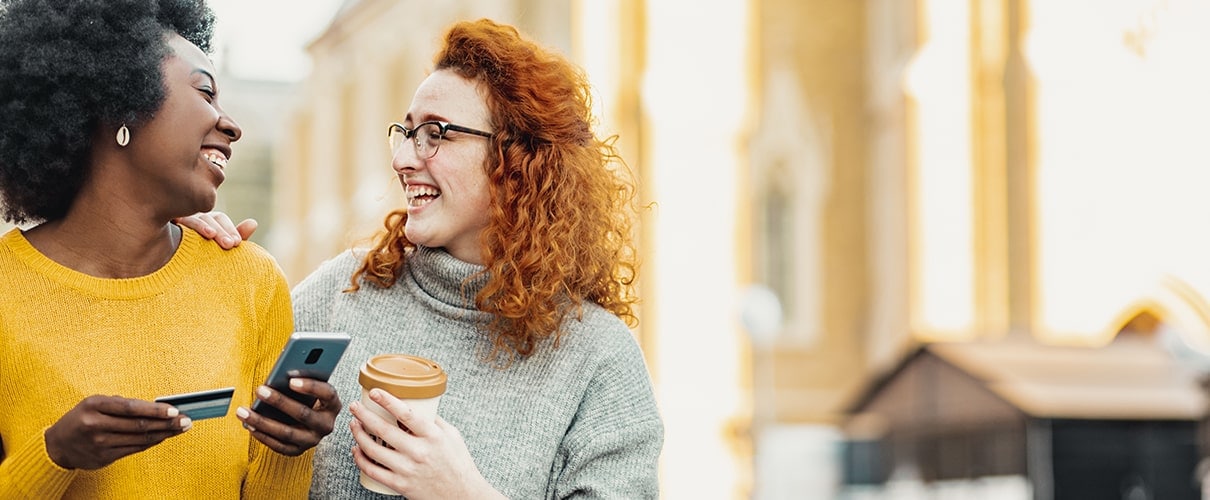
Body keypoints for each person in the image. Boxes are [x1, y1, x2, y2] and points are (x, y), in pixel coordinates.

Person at [184, 18, 664, 499]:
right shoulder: (343, 290)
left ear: (518, 159)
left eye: (436, 133)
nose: (403, 159)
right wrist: (180, 254)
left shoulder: (598, 358)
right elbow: (199, 411)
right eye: (407, 132)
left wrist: (460, 491)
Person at [0, 0, 341, 497]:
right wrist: (55, 456)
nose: (231, 126)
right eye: (205, 91)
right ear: (121, 104)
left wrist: (295, 445)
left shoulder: (249, 280)